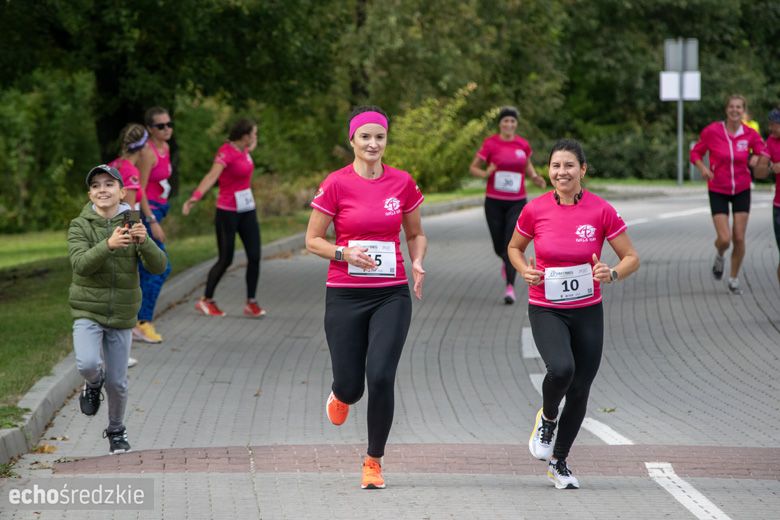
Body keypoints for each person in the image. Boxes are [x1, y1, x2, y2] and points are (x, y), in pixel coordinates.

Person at [305, 106, 426, 490]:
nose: (373, 144)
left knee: (381, 375)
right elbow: (312, 240)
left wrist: (417, 260)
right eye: (366, 137)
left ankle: (373, 461)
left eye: (380, 137)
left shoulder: (402, 182)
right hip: (345, 295)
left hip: (391, 294)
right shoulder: (336, 184)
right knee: (352, 385)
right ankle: (341, 394)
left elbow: (415, 233)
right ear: (352, 140)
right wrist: (344, 253)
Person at [508, 139, 639, 490]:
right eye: (555, 166)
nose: (561, 172)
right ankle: (548, 417)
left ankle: (559, 462)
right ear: (548, 170)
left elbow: (631, 258)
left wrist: (612, 273)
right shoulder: (535, 210)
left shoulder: (601, 210)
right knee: (562, 369)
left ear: (583, 169)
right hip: (546, 307)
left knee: (580, 389)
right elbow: (515, 247)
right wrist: (524, 270)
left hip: (587, 311)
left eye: (569, 166)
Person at [68, 165, 167, 454]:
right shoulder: (80, 225)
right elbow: (80, 265)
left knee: (118, 383)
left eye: (109, 184)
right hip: (88, 309)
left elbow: (158, 266)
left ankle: (116, 430)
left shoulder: (132, 222)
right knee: (87, 364)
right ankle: (93, 382)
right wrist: (108, 245)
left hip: (123, 313)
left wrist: (145, 242)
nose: (102, 190)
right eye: (96, 185)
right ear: (90, 194)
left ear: (122, 192)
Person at [182, 118, 266, 317]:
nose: (256, 137)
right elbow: (212, 176)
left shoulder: (245, 149)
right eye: (253, 134)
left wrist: (252, 140)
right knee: (226, 259)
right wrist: (195, 197)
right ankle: (206, 300)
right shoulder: (226, 153)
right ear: (244, 136)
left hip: (247, 209)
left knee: (255, 256)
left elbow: (252, 145)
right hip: (227, 212)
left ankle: (251, 302)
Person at [690, 94, 769, 295]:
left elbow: (763, 150)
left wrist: (757, 157)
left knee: (739, 237)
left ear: (743, 111)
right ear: (726, 110)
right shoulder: (712, 131)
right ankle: (720, 254)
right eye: (731, 107)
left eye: (739, 107)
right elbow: (696, 153)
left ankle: (733, 279)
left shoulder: (750, 133)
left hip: (742, 188)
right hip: (718, 188)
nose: (735, 110)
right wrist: (703, 168)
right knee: (725, 239)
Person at [470, 106, 546, 304]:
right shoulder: (491, 143)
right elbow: (473, 168)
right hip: (494, 202)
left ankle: (510, 287)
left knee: (510, 245)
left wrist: (535, 177)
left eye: (512, 121)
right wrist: (486, 173)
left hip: (517, 203)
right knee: (499, 247)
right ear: (500, 124)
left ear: (516, 124)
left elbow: (527, 165)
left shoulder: (522, 144)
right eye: (506, 121)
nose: (509, 124)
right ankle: (506, 261)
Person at [108, 123, 150, 368]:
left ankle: (110, 352)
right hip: (124, 237)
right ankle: (118, 356)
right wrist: (136, 241)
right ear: (142, 147)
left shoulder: (114, 165)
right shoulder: (131, 172)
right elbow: (130, 210)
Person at [133, 106, 174, 343]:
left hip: (159, 210)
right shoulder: (147, 153)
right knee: (161, 267)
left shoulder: (165, 148)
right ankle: (143, 322)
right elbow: (139, 189)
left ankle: (135, 321)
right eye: (161, 126)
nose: (167, 129)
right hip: (147, 214)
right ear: (150, 129)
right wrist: (152, 220)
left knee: (145, 270)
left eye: (169, 124)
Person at [764, 107, 780, 285]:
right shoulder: (771, 141)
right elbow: (761, 172)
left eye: (774, 125)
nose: (771, 128)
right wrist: (764, 166)